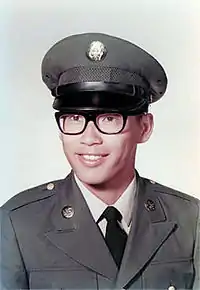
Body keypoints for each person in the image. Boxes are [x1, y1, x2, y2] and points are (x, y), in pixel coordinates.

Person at [0, 33, 199, 290]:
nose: (89, 138)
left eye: (109, 119)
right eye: (74, 118)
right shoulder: (18, 224)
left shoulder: (190, 222)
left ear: (145, 128)